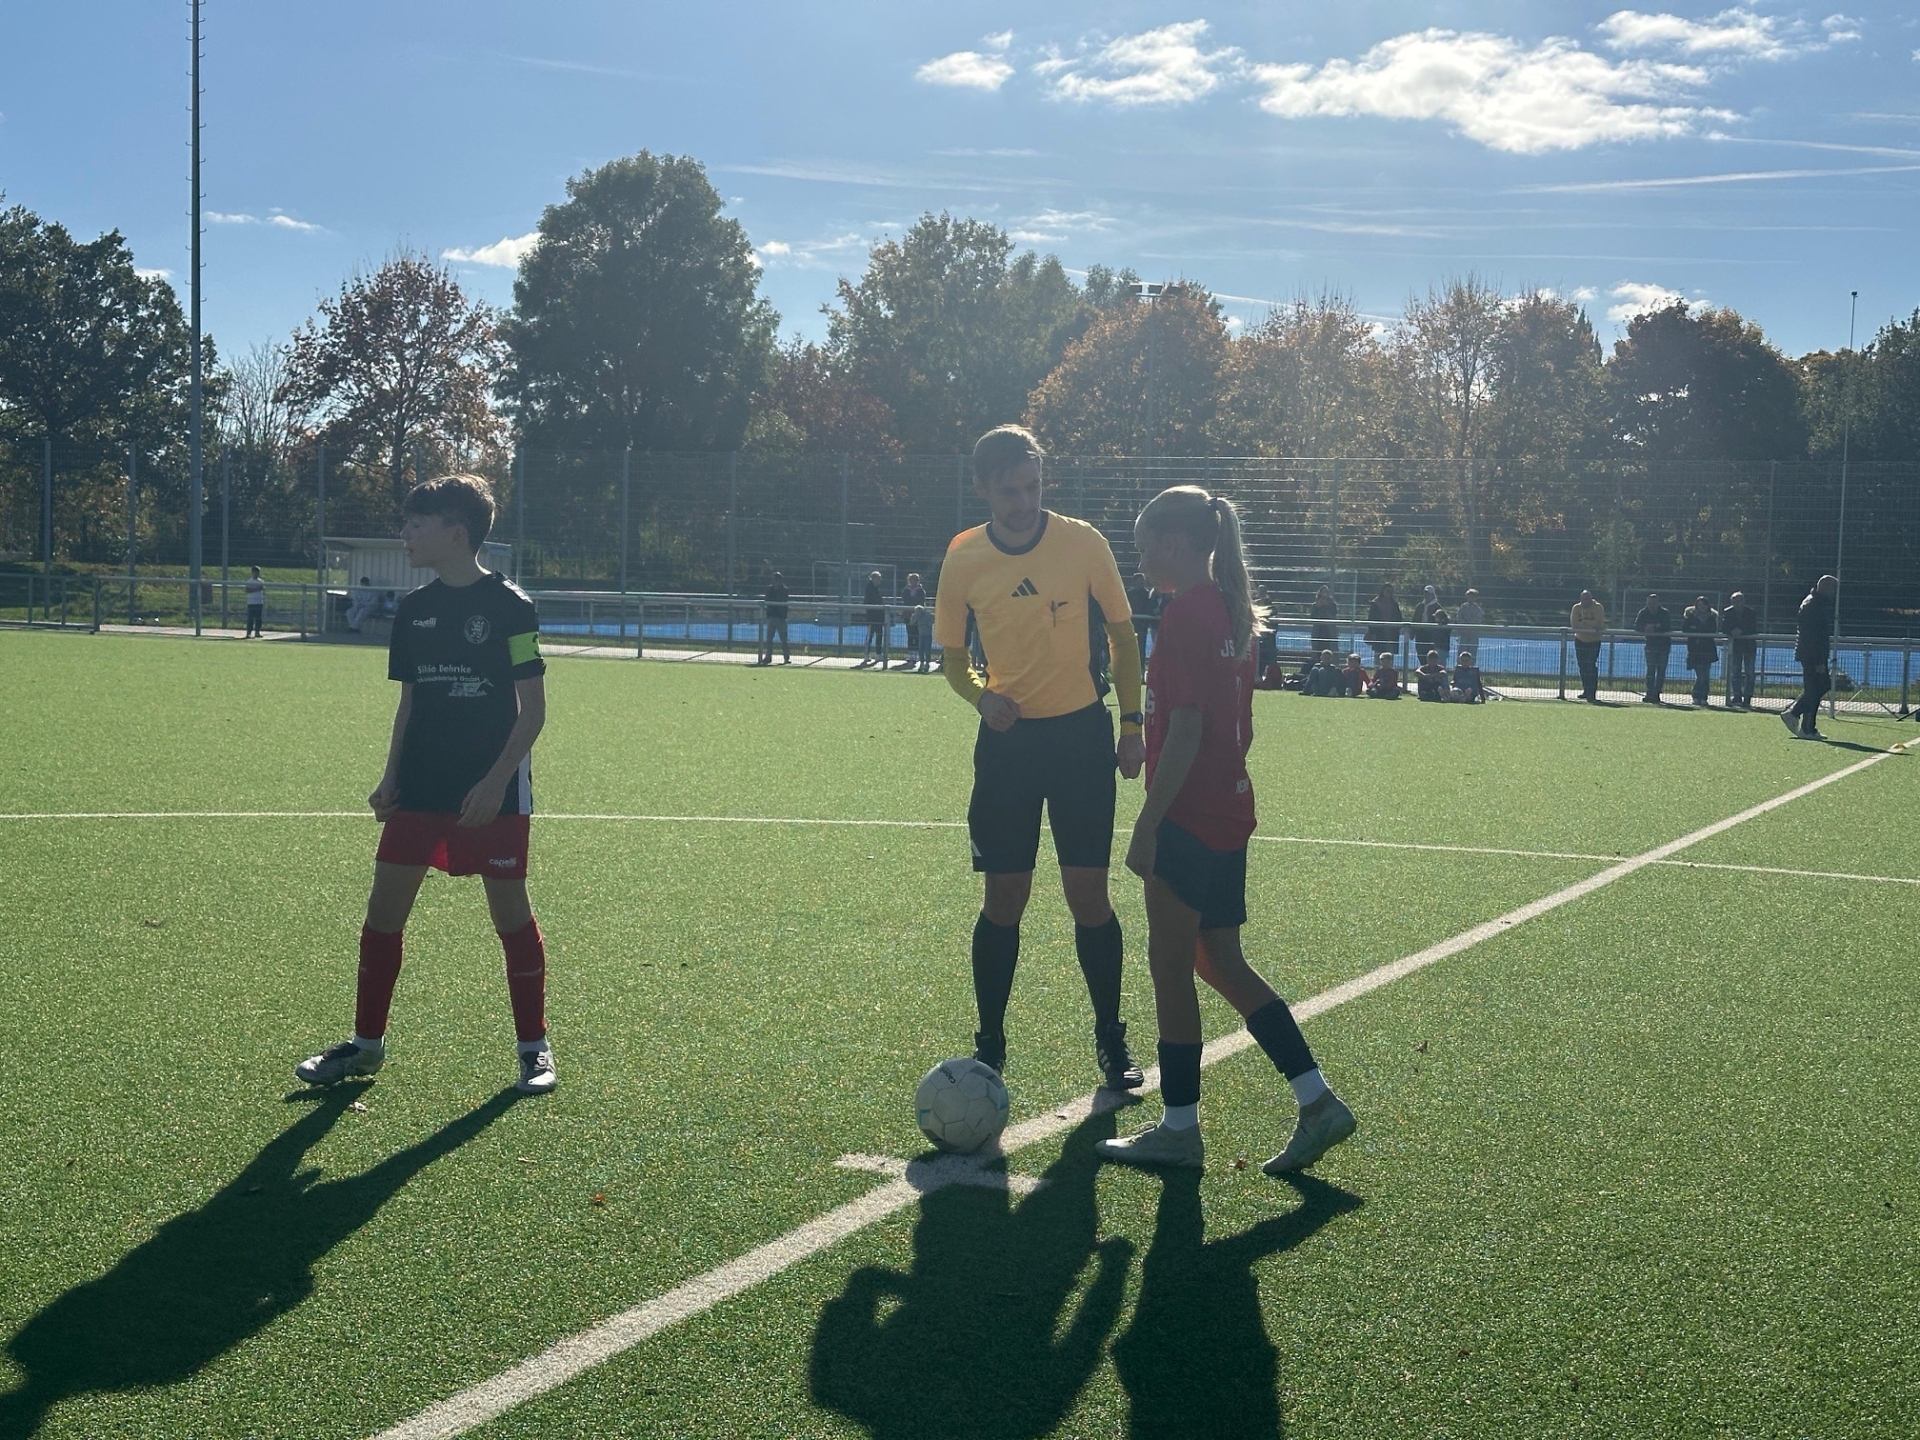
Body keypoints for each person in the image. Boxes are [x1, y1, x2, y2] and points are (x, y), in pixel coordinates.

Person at [1093, 484, 1355, 1173]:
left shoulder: (1186, 613)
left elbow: (1186, 726)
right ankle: (1317, 1101)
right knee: (1217, 961)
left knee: (1171, 967)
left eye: (1145, 548)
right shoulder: (1230, 609)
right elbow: (1239, 723)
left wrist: (1148, 822)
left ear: (1175, 544)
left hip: (1189, 816)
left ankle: (1180, 1129)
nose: (1140, 562)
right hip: (1227, 810)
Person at [295, 474, 555, 1096]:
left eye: (417, 523)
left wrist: (495, 783)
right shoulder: (412, 611)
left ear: (456, 533)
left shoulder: (512, 606)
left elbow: (534, 710)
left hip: (491, 791)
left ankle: (534, 1048)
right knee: (382, 914)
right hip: (420, 786)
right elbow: (409, 703)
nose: (405, 533)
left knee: (510, 915)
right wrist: (391, 776)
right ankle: (365, 1046)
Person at [930, 425, 1147, 1090]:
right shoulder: (963, 557)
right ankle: (989, 1045)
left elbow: (1123, 638)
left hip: (1081, 740)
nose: (1024, 502)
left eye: (1033, 487)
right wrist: (980, 698)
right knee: (1005, 898)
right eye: (1009, 491)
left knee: (1089, 896)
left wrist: (1132, 723)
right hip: (1009, 748)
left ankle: (1111, 1039)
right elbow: (953, 659)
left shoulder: (1084, 542)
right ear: (982, 489)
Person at [1782, 575, 1837, 740]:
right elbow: (1813, 635)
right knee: (1819, 687)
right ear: (1825, 587)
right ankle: (1794, 713)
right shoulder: (1813, 604)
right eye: (1832, 588)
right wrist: (1819, 660)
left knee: (1814, 689)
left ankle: (1808, 728)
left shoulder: (1815, 602)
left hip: (1811, 653)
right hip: (1812, 654)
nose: (1834, 592)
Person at [1721, 590, 1759, 709]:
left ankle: (1747, 697)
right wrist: (1731, 632)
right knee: (1735, 672)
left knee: (1750, 673)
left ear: (1743, 601)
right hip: (1735, 647)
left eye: (1739, 601)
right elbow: (1724, 628)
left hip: (1749, 647)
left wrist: (1741, 631)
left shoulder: (1751, 612)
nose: (1737, 604)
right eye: (1734, 602)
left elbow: (1753, 628)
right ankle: (1737, 696)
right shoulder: (1727, 612)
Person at [1633, 593, 1672, 704]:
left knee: (1661, 670)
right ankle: (1649, 692)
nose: (1651, 605)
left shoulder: (1664, 613)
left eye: (1654, 603)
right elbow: (1637, 626)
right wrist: (1645, 628)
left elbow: (1667, 627)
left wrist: (1654, 628)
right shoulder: (1643, 612)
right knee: (1650, 670)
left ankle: (1657, 693)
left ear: (1658, 603)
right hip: (1650, 644)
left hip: (1664, 645)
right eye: (1649, 603)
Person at [1681, 595, 1719, 707]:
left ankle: (1703, 697)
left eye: (1704, 605)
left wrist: (1697, 629)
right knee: (1700, 675)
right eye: (1699, 605)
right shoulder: (1690, 617)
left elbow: (1712, 630)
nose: (1702, 607)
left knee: (1706, 675)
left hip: (1707, 650)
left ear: (1707, 606)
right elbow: (1685, 629)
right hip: (1695, 650)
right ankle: (1696, 695)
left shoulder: (1711, 617)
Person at [1570, 589, 1606, 702]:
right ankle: (1586, 690)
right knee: (1582, 666)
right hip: (1580, 640)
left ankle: (1592, 692)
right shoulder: (1576, 608)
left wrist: (1584, 624)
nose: (1585, 601)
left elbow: (1599, 623)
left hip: (1594, 641)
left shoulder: (1598, 607)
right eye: (1583, 599)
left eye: (1587, 599)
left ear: (1591, 598)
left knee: (1590, 665)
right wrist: (1589, 626)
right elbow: (1574, 624)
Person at [1364, 583, 1402, 667]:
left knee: (1389, 655)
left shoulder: (1394, 604)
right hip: (1379, 633)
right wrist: (1372, 633)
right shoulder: (1375, 604)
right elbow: (1371, 619)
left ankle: (1389, 671)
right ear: (1383, 591)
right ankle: (1378, 671)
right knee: (1378, 655)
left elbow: (1399, 618)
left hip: (1391, 634)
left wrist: (1396, 628)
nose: (1389, 593)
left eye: (1391, 591)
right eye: (1387, 591)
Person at [759, 571, 791, 665]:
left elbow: (782, 600)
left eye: (777, 579)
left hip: (781, 618)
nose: (775, 581)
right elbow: (767, 600)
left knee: (784, 640)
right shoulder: (769, 589)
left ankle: (786, 657)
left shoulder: (784, 590)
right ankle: (768, 657)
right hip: (771, 617)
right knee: (769, 639)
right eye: (774, 579)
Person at [898, 573, 928, 670]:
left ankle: (916, 654)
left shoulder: (921, 591)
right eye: (911, 580)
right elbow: (905, 600)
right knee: (910, 635)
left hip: (918, 616)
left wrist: (913, 603)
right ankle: (911, 654)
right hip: (908, 615)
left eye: (915, 580)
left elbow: (920, 602)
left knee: (917, 635)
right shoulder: (906, 590)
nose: (913, 582)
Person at [859, 572, 887, 668]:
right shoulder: (869, 588)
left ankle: (878, 654)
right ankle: (866, 655)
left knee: (879, 635)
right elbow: (869, 602)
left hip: (879, 616)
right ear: (873, 578)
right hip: (872, 617)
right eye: (877, 578)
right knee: (870, 635)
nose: (879, 580)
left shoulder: (878, 589)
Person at [1127, 572, 1158, 658]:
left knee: (1141, 646)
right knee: (1130, 645)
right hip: (1131, 623)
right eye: (1139, 581)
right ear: (1134, 582)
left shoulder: (1148, 594)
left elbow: (1150, 607)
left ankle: (1141, 663)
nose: (1141, 583)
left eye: (1142, 581)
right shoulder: (1129, 594)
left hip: (1143, 624)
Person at [1454, 588, 1484, 665]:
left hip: (1473, 634)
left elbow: (1478, 620)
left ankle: (1471, 668)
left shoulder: (1478, 609)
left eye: (1472, 597)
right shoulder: (1463, 607)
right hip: (1464, 634)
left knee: (1472, 654)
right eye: (1469, 597)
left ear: (1475, 598)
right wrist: (1464, 624)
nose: (1470, 599)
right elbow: (1459, 618)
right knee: (1461, 652)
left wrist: (1469, 623)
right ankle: (1459, 667)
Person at [1309, 584, 1339, 658]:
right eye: (1323, 591)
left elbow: (1334, 614)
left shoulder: (1333, 604)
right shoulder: (1315, 605)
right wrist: (1317, 606)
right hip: (1318, 630)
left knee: (1330, 646)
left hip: (1329, 630)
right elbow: (1312, 616)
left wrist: (1327, 605)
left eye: (1327, 592)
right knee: (1317, 647)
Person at [243, 565, 266, 637]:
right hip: (251, 602)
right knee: (250, 619)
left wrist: (254, 589)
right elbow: (247, 590)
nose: (257, 573)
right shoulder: (249, 581)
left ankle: (257, 632)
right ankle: (248, 633)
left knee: (258, 619)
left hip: (259, 602)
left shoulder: (261, 581)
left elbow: (262, 588)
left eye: (258, 572)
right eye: (255, 572)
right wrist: (257, 589)